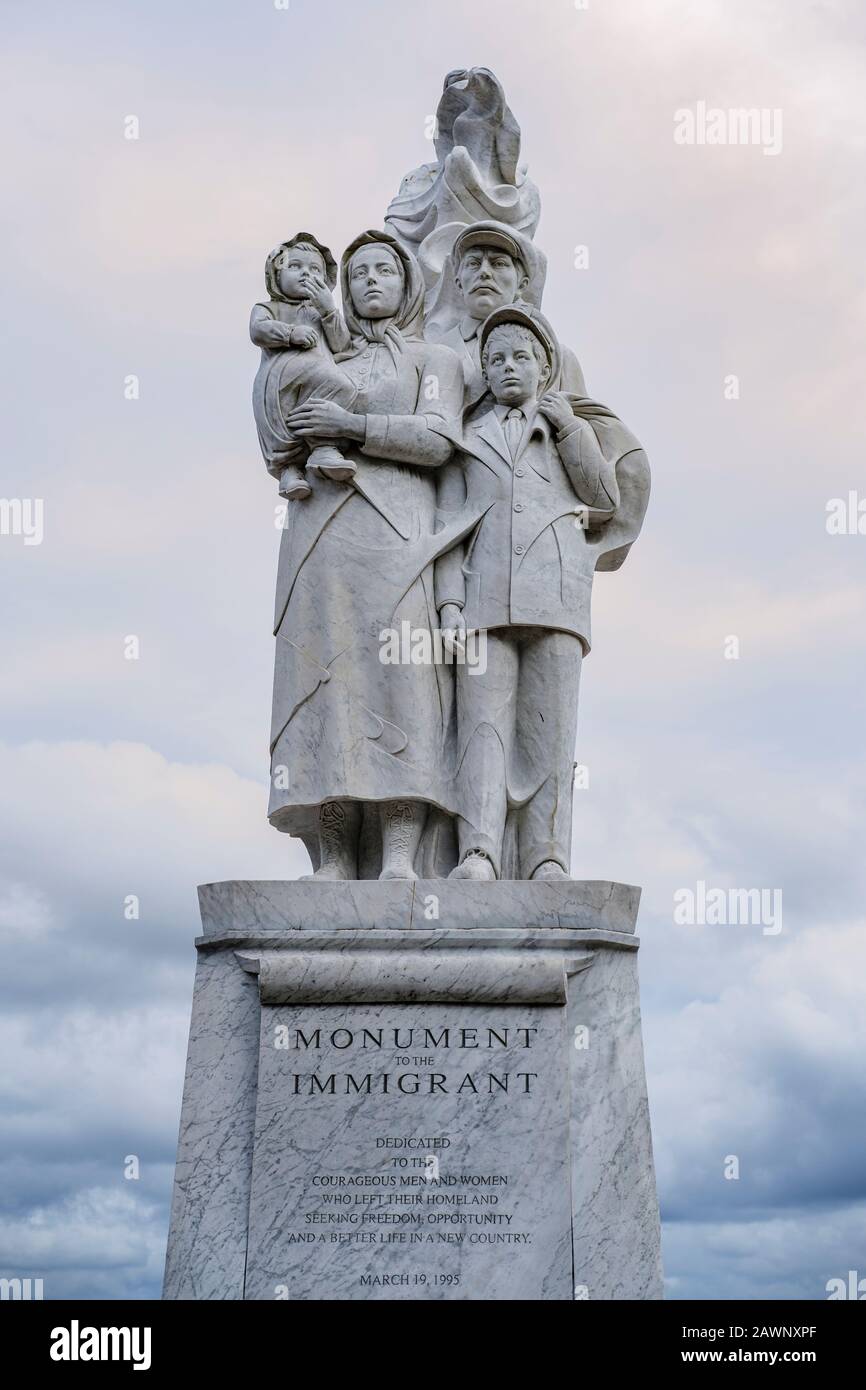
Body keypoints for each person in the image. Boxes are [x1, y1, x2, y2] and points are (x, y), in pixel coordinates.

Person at [266, 230, 474, 880]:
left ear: (407, 282)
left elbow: (440, 440)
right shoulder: (321, 357)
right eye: (357, 273)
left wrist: (352, 430)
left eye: (384, 269)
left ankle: (401, 858)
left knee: (402, 685)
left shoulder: (432, 360)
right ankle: (331, 856)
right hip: (319, 537)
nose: (371, 282)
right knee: (328, 686)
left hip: (399, 536)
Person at [434, 305, 649, 880]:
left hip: (555, 597)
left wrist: (571, 428)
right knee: (481, 729)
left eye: (521, 357)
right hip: (483, 599)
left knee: (550, 733)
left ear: (544, 367)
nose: (508, 368)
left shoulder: (565, 431)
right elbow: (450, 530)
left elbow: (605, 499)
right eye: (496, 358)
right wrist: (449, 604)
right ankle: (478, 850)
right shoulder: (467, 440)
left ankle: (545, 856)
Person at [250, 232, 356, 500]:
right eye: (295, 266)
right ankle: (288, 470)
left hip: (319, 378)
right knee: (284, 427)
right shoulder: (269, 307)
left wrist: (329, 310)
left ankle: (323, 449)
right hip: (279, 380)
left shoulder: (321, 312)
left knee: (343, 389)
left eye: (314, 269)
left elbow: (342, 346)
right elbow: (258, 331)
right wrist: (289, 334)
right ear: (276, 274)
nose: (305, 274)